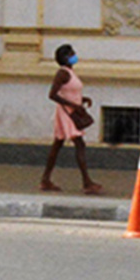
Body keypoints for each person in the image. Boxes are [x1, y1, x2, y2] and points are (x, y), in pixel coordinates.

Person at [39, 41, 102, 195]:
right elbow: (52, 95)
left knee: (57, 145)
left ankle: (45, 179)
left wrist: (82, 99)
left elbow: (70, 91)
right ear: (65, 58)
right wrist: (74, 105)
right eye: (71, 54)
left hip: (70, 111)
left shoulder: (69, 72)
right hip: (67, 113)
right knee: (79, 144)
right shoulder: (63, 73)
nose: (74, 56)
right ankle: (87, 182)